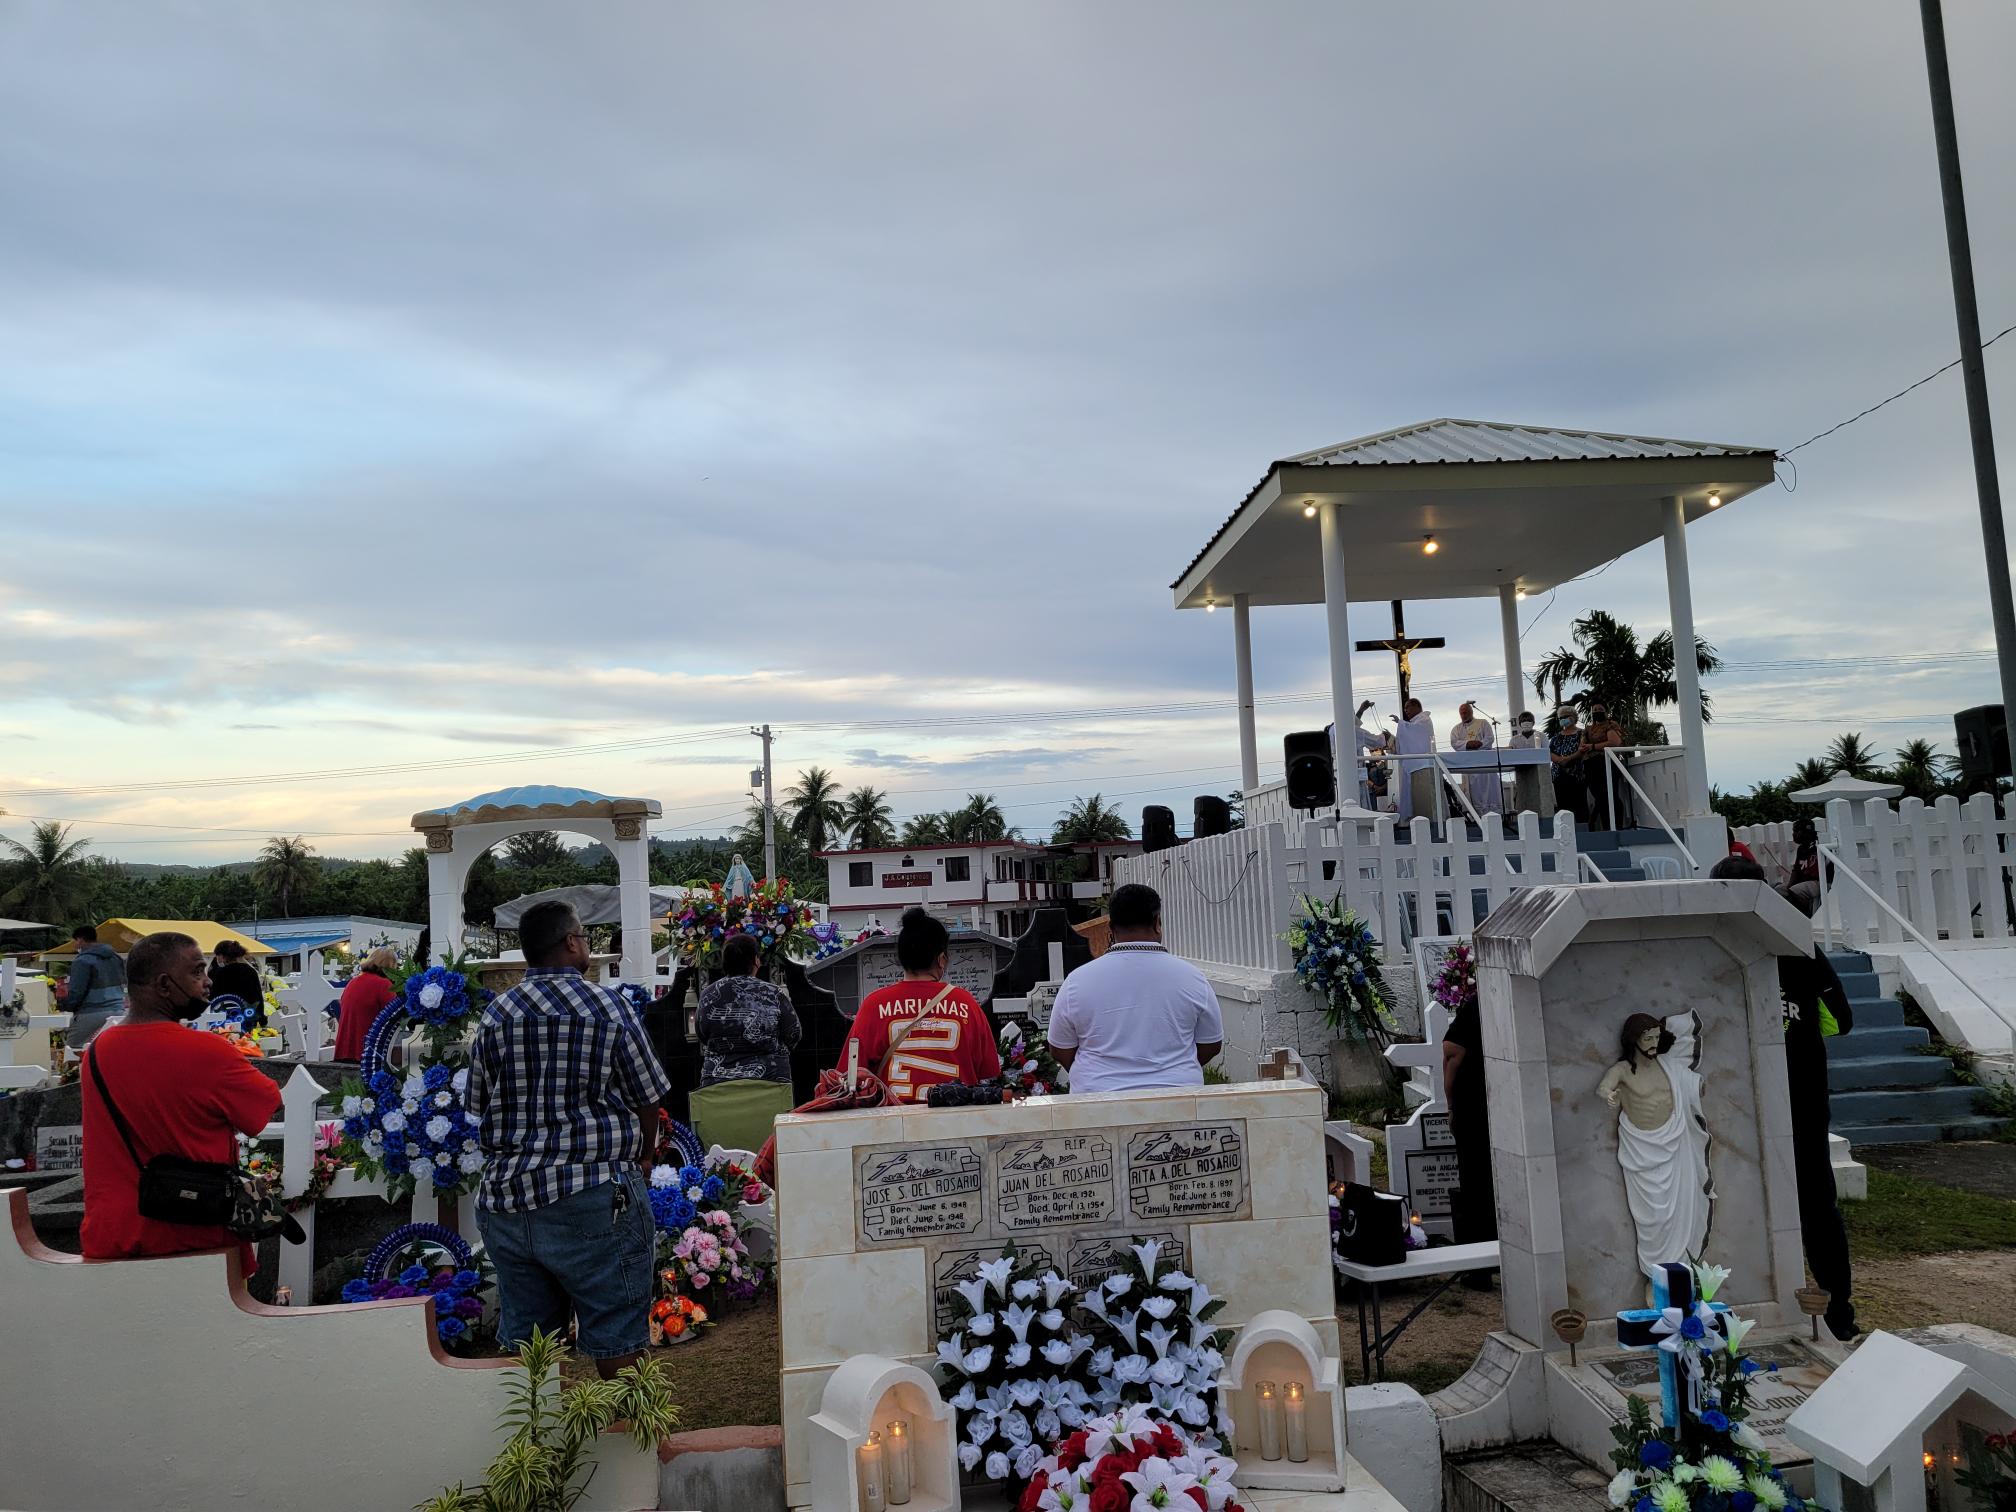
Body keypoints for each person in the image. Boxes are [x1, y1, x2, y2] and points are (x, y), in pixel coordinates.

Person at [466, 900, 670, 1379]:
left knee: (531, 1351)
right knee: (617, 1334)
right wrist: (643, 1154)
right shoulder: (608, 1007)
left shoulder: (496, 1015)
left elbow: (477, 1102)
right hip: (594, 1192)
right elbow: (648, 1093)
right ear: (571, 942)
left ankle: (536, 1446)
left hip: (508, 1201)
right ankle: (630, 1445)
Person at [1711, 855, 1858, 1338]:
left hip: (1734, 1102)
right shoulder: (1799, 946)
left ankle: (1740, 1306)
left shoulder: (1710, 949)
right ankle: (1838, 1311)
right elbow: (1841, 1018)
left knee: (1730, 1198)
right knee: (1817, 1204)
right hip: (1802, 1095)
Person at [80, 931, 282, 1260]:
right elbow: (267, 1106)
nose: (207, 982)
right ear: (163, 985)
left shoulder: (97, 1052)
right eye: (196, 972)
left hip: (113, 1234)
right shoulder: (208, 1052)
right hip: (194, 1236)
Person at [1046, 883, 1223, 1093]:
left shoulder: (1077, 981)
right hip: (1177, 1099)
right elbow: (1210, 1045)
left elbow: (1060, 1049)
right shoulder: (1193, 978)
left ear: (1110, 929)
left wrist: (1097, 1074)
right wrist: (1169, 1071)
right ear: (1158, 922)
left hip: (1097, 1102)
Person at [837, 909, 1000, 1103]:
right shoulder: (966, 1004)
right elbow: (988, 1073)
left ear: (901, 959)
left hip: (895, 1126)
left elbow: (849, 1075)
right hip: (956, 1125)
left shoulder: (874, 1005)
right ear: (941, 960)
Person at [1598, 1010, 1712, 1282]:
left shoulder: (1668, 1066)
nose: (1652, 1043)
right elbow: (1605, 1085)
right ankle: (1656, 1277)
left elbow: (1689, 1083)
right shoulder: (1623, 1070)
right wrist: (1607, 1093)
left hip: (1676, 1146)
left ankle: (1681, 1275)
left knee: (1682, 1211)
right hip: (1642, 1152)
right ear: (1633, 1039)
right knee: (1654, 1218)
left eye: (1656, 1037)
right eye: (1647, 1038)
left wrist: (1695, 1087)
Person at [696, 932, 801, 1085]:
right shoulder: (773, 993)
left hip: (718, 1083)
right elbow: (793, 1034)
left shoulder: (707, 994)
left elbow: (702, 1033)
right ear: (755, 961)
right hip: (770, 1079)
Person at [1440, 988, 1497, 1263]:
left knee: (1476, 1182)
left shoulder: (1477, 1004)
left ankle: (1478, 1263)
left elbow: (1452, 1053)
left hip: (1474, 1105)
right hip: (1504, 1102)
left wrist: (1450, 1104)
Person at [61, 924, 126, 1049]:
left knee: (74, 1049)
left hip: (91, 1012)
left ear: (80, 940)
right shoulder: (116, 957)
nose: (75, 946)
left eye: (75, 941)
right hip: (118, 1011)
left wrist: (66, 1005)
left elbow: (77, 991)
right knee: (110, 1048)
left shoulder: (82, 961)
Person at [332, 945, 399, 1061]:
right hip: (366, 1052)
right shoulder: (383, 985)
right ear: (391, 965)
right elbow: (395, 1016)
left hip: (344, 1048)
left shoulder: (353, 982)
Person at [1581, 701, 1630, 830]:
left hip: (1608, 762)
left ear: (1605, 711)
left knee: (1610, 794)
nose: (1597, 711)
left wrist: (1593, 746)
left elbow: (1614, 742)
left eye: (1600, 709)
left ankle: (1617, 825)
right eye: (1594, 709)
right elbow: (1582, 746)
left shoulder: (1611, 725)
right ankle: (1605, 826)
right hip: (1591, 765)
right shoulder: (1588, 729)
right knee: (1599, 796)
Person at [1447, 701, 1501, 816]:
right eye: (1461, 713)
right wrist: (1467, 744)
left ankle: (1494, 815)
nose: (1464, 715)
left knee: (1490, 790)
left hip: (1486, 764)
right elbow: (1454, 742)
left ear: (1471, 712)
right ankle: (1476, 816)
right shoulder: (1456, 729)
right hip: (1470, 766)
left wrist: (1480, 744)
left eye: (1466, 712)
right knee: (1474, 793)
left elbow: (1490, 738)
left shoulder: (1483, 723)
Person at [1392, 698, 1438, 822]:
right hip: (1415, 766)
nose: (1406, 710)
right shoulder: (1414, 722)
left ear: (1417, 706)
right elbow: (1410, 732)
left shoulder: (1424, 720)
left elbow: (1415, 733)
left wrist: (1400, 723)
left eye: (1408, 707)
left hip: (1424, 764)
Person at [207, 939, 266, 1027]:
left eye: (217, 955)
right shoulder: (250, 971)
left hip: (222, 1019)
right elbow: (257, 996)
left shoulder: (217, 974)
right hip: (246, 1016)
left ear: (223, 956)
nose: (217, 959)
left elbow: (211, 997)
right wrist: (261, 1018)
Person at [1549, 706, 1589, 824]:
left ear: (1573, 717)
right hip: (1558, 775)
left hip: (1576, 774)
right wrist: (1560, 760)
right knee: (1563, 806)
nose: (1563, 719)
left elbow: (1582, 750)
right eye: (1561, 717)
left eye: (1565, 717)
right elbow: (1550, 752)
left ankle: (1582, 830)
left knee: (1579, 804)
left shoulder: (1581, 733)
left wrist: (1567, 759)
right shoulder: (1556, 737)